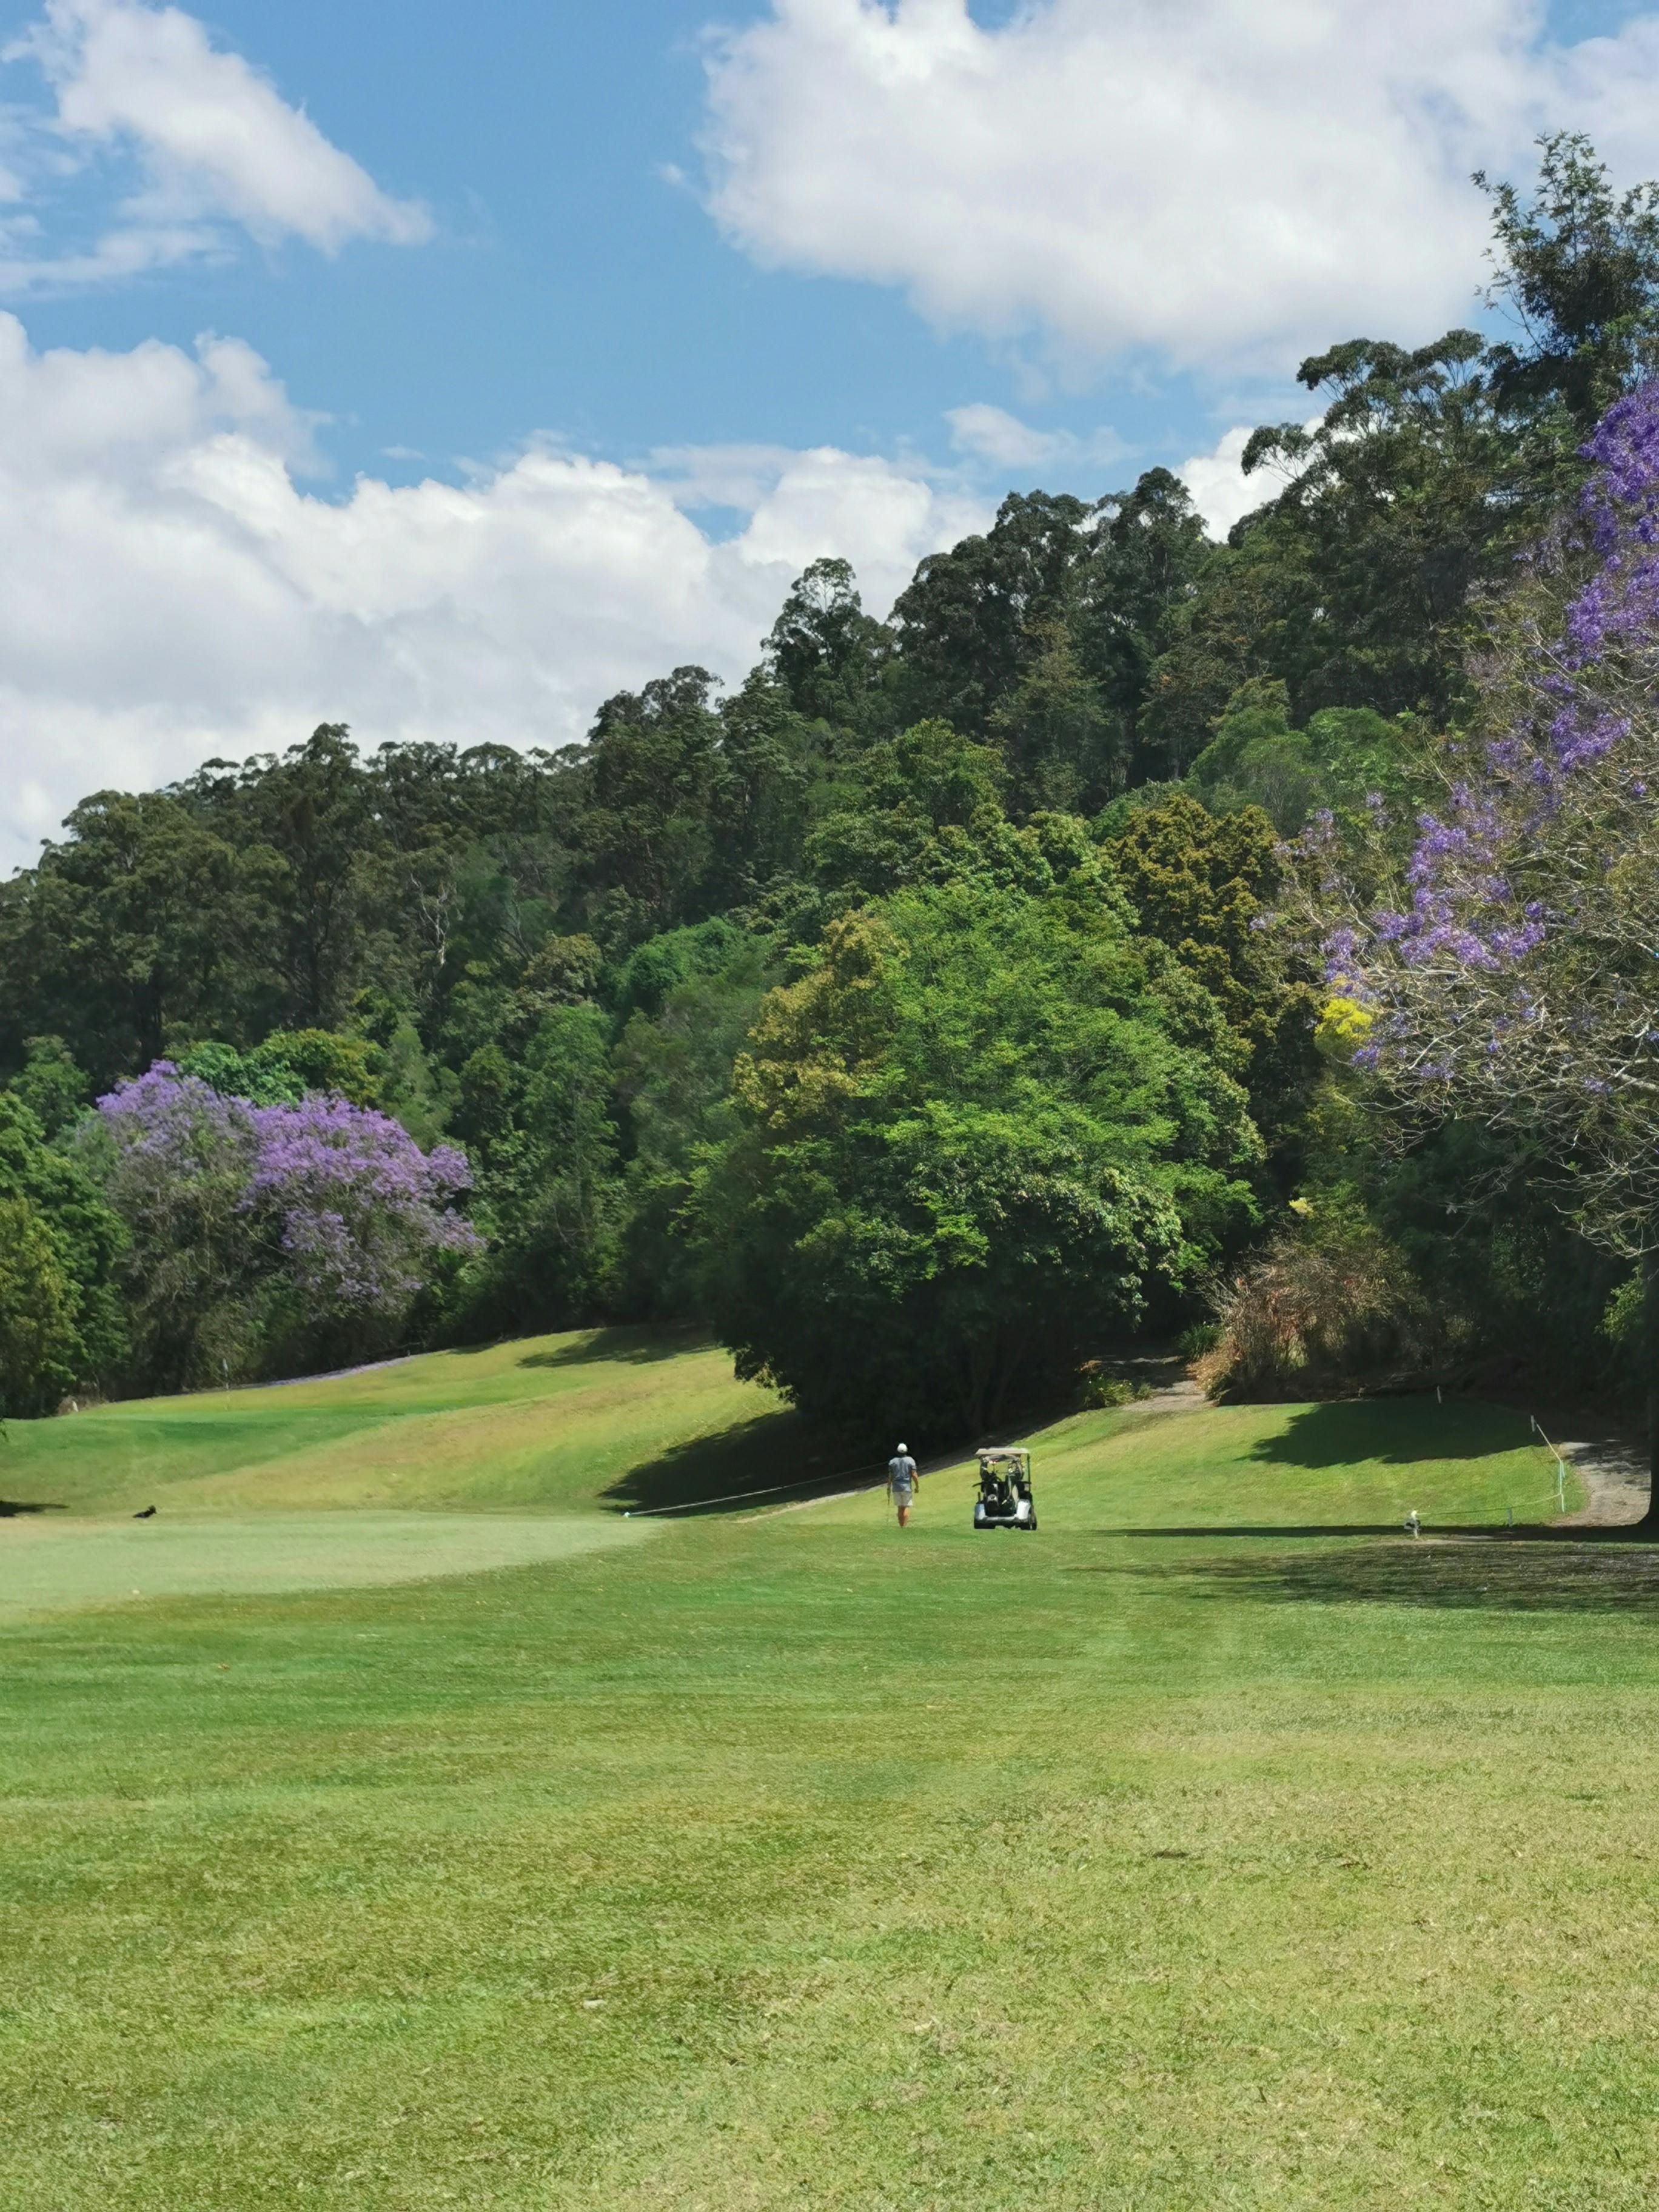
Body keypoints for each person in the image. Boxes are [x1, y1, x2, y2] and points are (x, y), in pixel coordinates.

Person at [887, 1443, 919, 1528]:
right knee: (905, 1507)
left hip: (896, 1488)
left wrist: (888, 1488)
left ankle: (901, 1525)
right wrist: (917, 1486)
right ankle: (904, 1527)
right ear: (906, 1451)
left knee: (899, 1507)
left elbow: (890, 1476)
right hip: (906, 1488)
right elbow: (914, 1475)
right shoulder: (910, 1460)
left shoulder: (892, 1462)